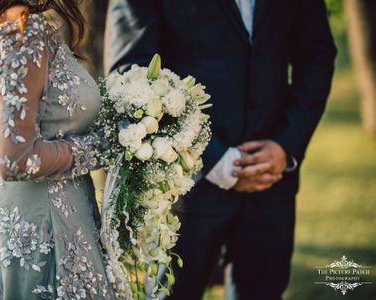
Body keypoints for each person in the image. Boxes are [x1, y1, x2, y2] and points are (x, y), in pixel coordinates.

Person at [105, 0, 337, 299]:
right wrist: (212, 158)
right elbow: (130, 76)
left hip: (270, 182)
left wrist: (286, 145)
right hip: (183, 187)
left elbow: (317, 55)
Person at [0, 0, 118, 298]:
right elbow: (15, 159)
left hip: (45, 215)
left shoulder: (13, 25)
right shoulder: (22, 31)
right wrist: (105, 145)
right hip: (43, 228)